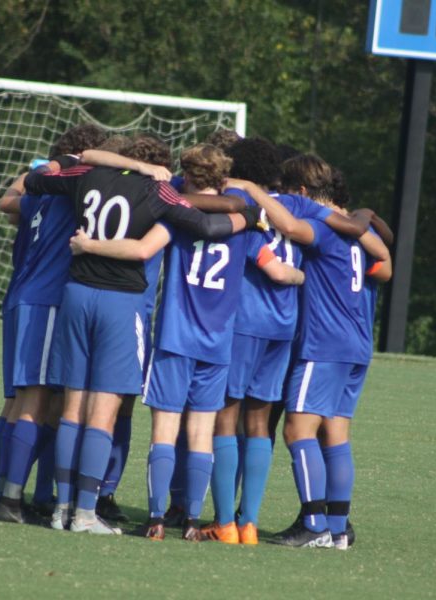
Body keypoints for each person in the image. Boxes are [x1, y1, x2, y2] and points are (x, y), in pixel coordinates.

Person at [23, 135, 261, 535]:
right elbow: (202, 224)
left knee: (71, 408)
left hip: (76, 294)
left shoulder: (88, 173)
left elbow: (42, 179)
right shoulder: (159, 192)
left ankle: (60, 508)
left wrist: (83, 239)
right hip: (121, 303)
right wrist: (251, 215)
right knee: (103, 412)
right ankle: (84, 513)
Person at [68, 144, 304, 541]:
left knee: (164, 430)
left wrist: (89, 245)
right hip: (217, 343)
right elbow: (278, 272)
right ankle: (194, 521)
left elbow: (143, 249)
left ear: (188, 175)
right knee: (200, 434)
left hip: (176, 337)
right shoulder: (244, 226)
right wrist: (303, 278)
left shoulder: (176, 217)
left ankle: (157, 517)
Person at [197, 138, 374, 545]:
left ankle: (229, 523)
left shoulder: (254, 202)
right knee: (266, 424)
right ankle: (253, 522)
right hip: (288, 326)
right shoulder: (324, 212)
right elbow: (380, 254)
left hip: (251, 322)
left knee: (232, 419)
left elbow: (279, 248)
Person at [269, 156, 392, 549]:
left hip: (325, 345)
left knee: (296, 431)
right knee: (336, 435)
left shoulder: (323, 228)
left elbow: (290, 227)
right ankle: (338, 528)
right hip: (357, 345)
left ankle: (313, 525)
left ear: (302, 192)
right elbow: (385, 265)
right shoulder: (358, 231)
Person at [0, 124, 108, 523]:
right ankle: (11, 499)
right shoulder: (73, 196)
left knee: (22, 404)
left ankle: (5, 494)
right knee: (36, 404)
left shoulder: (35, 194)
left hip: (21, 298)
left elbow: (7, 201)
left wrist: (39, 169)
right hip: (47, 301)